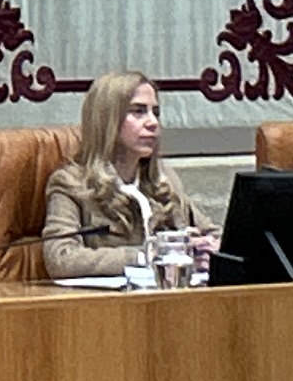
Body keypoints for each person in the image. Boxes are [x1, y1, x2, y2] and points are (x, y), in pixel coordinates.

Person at [39, 71, 206, 278]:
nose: (152, 122)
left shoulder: (163, 180)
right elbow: (61, 258)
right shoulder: (70, 183)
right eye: (138, 111)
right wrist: (144, 256)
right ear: (107, 119)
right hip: (107, 305)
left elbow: (211, 232)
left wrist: (209, 248)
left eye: (156, 112)